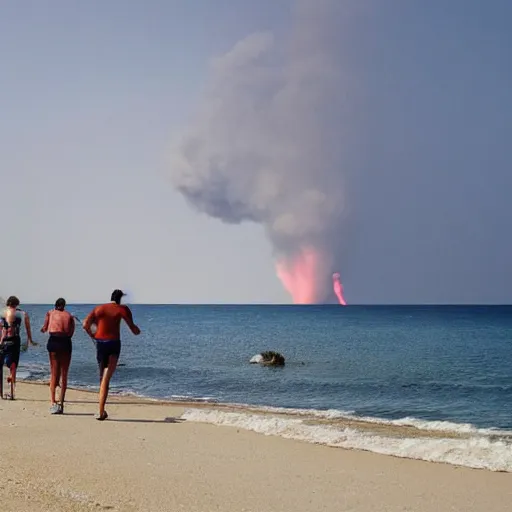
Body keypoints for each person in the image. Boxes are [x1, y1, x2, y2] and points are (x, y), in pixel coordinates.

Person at [82, 289, 140, 420]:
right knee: (106, 379)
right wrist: (138, 331)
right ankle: (101, 411)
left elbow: (85, 324)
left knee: (102, 377)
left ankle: (101, 410)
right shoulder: (122, 309)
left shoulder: (99, 309)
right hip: (113, 344)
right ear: (120, 299)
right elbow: (133, 328)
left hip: (100, 343)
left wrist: (93, 334)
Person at [40, 298, 75, 414]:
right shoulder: (69, 315)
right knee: (64, 374)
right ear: (64, 305)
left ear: (55, 305)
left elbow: (45, 328)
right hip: (65, 343)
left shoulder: (50, 313)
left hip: (53, 342)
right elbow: (71, 333)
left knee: (54, 372)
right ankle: (61, 402)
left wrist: (42, 329)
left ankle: (52, 401)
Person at [0, 296, 36, 400]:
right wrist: (30, 339)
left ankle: (2, 393)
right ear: (16, 304)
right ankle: (11, 392)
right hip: (14, 341)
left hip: (3, 341)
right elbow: (28, 327)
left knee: (1, 366)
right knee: (13, 367)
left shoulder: (2, 313)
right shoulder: (21, 314)